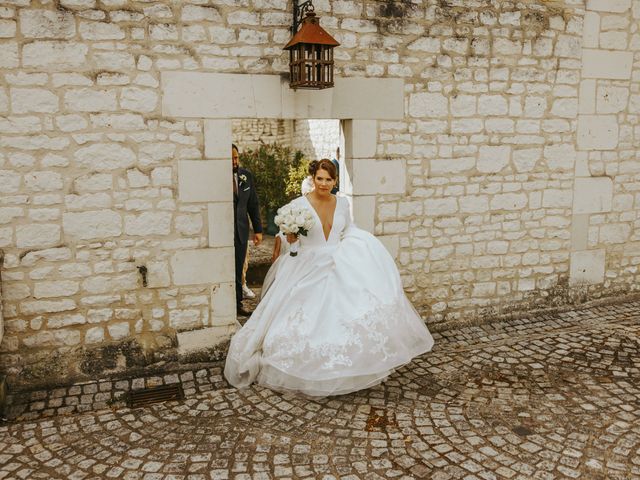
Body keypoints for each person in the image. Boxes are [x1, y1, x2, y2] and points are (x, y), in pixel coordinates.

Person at [225, 159, 434, 397]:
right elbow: (286, 237)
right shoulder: (298, 205)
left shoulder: (342, 203)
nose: (324, 184)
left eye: (329, 179)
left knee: (348, 311)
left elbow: (347, 230)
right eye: (320, 178)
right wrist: (290, 238)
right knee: (304, 316)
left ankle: (352, 366)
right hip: (307, 266)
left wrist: (362, 249)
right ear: (312, 178)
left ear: (335, 181)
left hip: (339, 262)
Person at [232, 144, 262, 317]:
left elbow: (253, 204)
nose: (235, 161)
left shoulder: (246, 176)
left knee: (238, 269)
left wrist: (257, 230)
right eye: (231, 158)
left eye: (236, 157)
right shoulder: (217, 177)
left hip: (242, 231)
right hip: (223, 231)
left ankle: (237, 304)